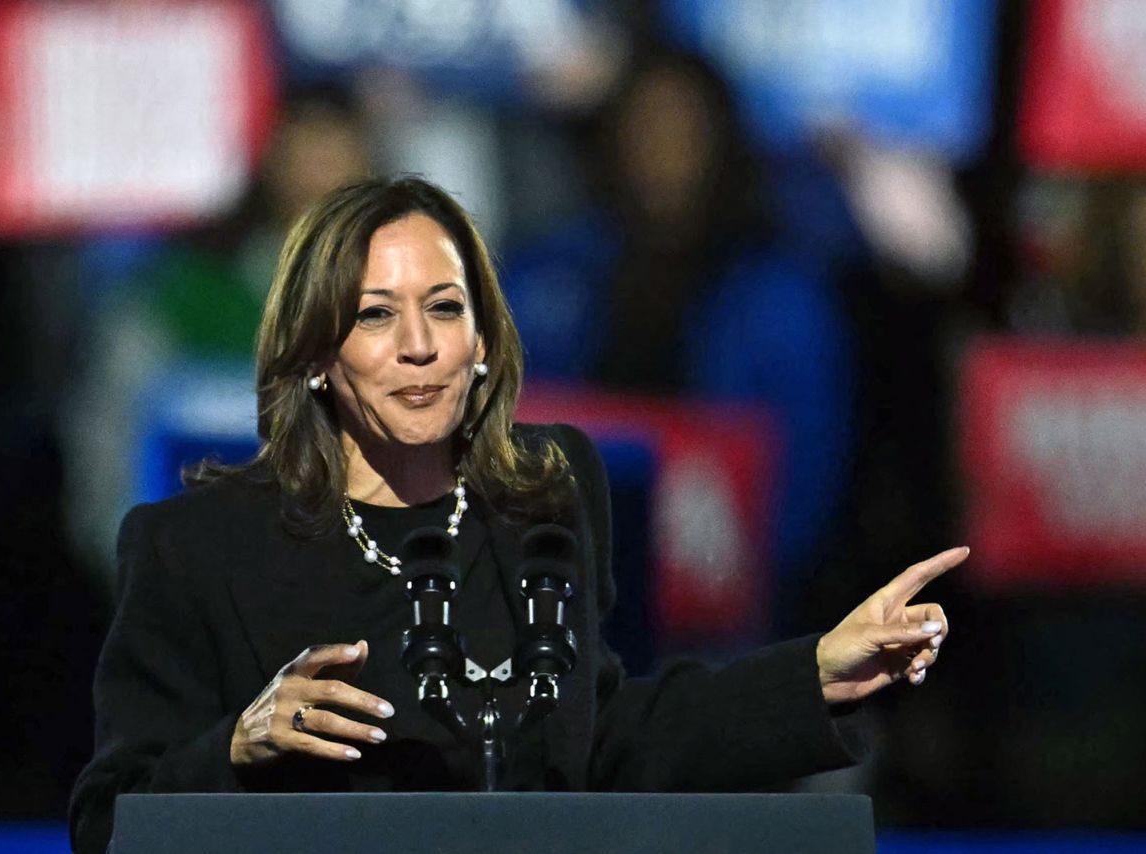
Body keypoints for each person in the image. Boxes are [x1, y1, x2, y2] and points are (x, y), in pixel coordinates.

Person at [69, 176, 962, 854]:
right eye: (376, 314)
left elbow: (599, 740)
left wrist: (815, 674)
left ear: (485, 340)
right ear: (313, 352)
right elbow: (108, 818)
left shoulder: (544, 499)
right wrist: (235, 747)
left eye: (445, 309)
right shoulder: (196, 546)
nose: (420, 346)